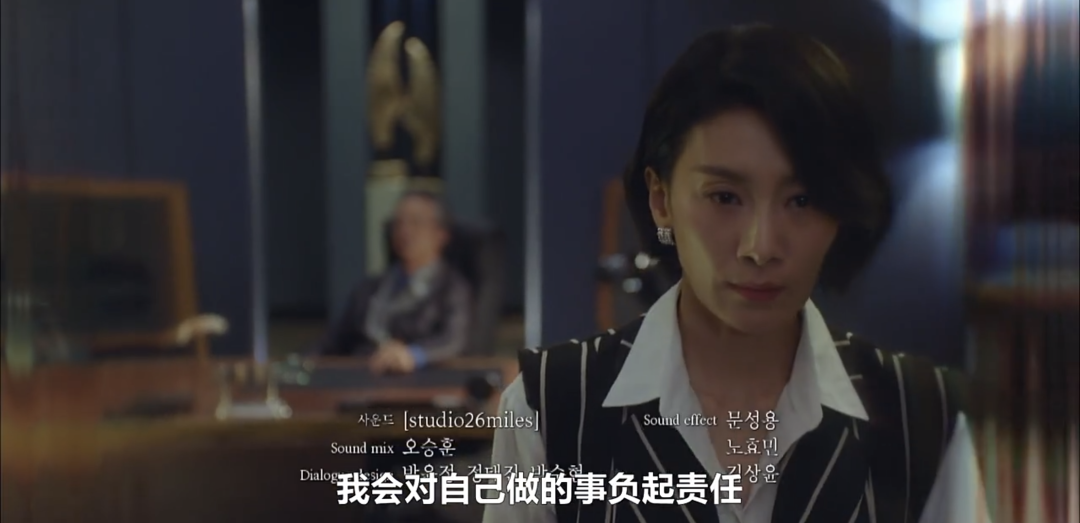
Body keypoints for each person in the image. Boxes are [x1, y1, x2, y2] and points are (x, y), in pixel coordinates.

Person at [484, 25, 989, 523]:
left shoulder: (920, 414)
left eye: (802, 200)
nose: (760, 247)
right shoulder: (549, 407)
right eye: (724, 197)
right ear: (661, 200)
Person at [312, 190, 472, 374]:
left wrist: (413, 355)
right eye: (398, 223)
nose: (405, 231)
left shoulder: (452, 288)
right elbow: (332, 341)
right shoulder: (370, 288)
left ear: (441, 234)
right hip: (360, 376)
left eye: (416, 222)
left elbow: (454, 340)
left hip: (416, 380)